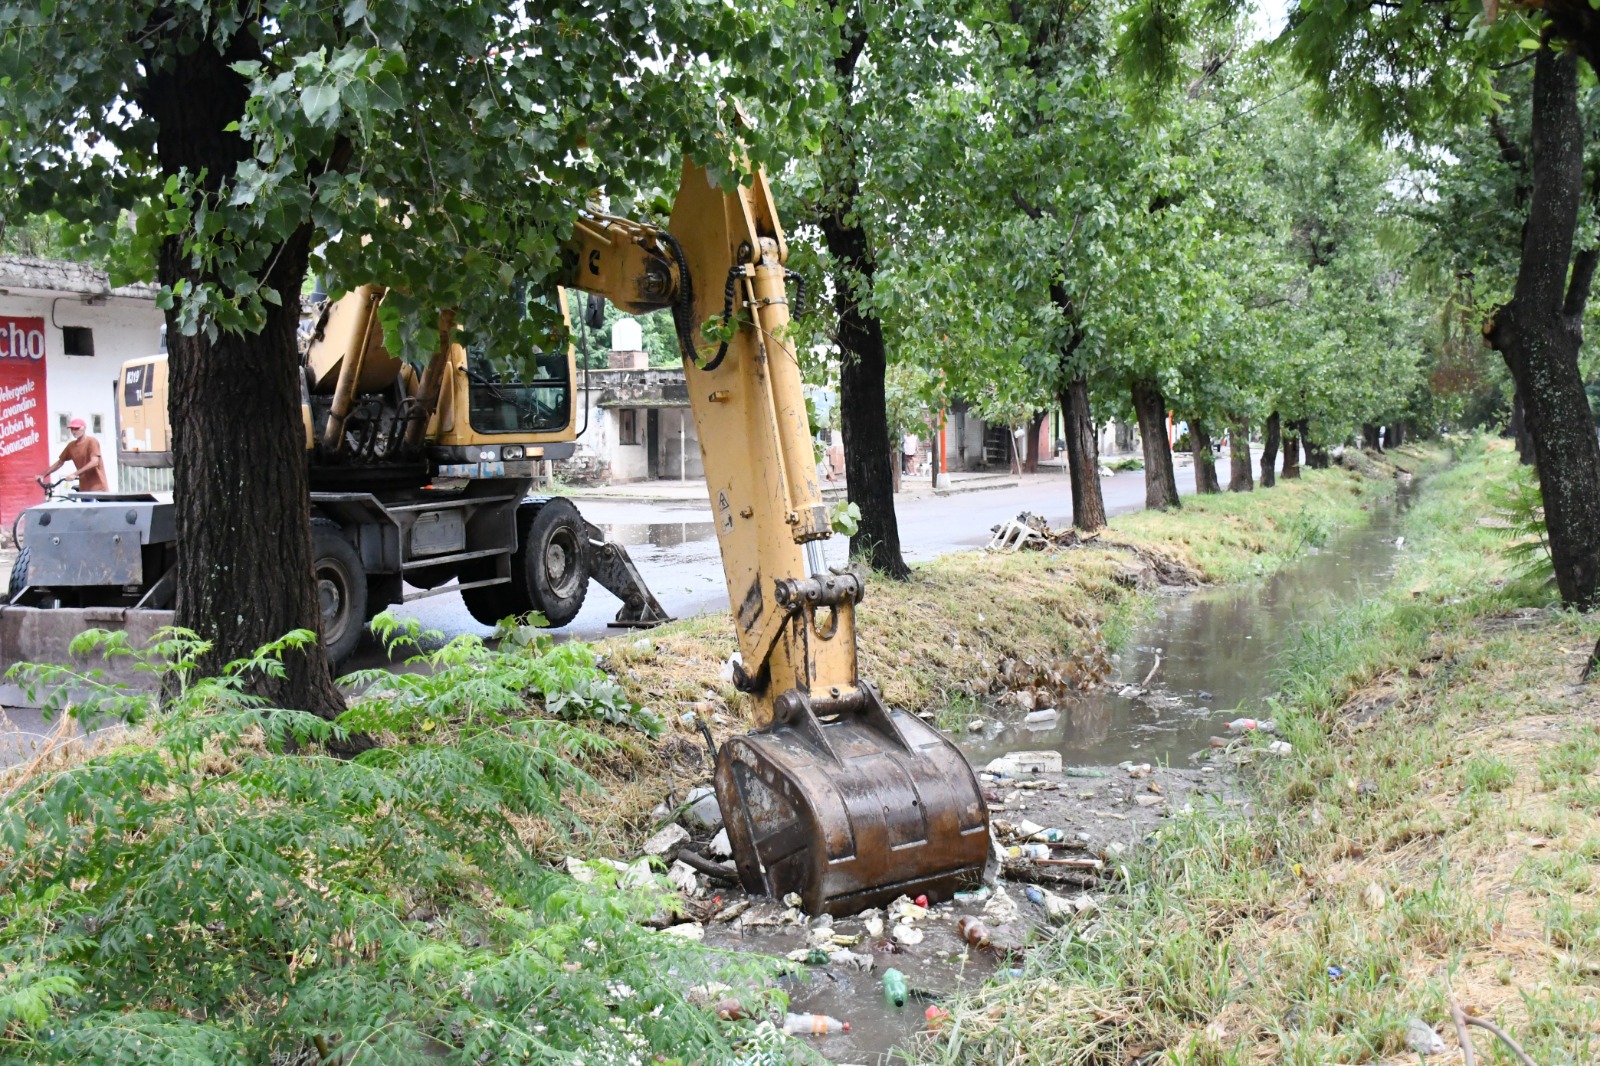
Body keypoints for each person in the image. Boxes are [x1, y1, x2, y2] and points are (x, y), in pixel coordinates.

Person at [40, 417, 109, 493]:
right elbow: (60, 462)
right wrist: (43, 475)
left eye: (76, 428)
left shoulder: (91, 441)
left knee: (97, 504)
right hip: (84, 488)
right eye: (72, 429)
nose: (74, 431)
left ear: (84, 428)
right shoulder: (71, 446)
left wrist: (75, 474)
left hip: (98, 487)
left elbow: (94, 462)